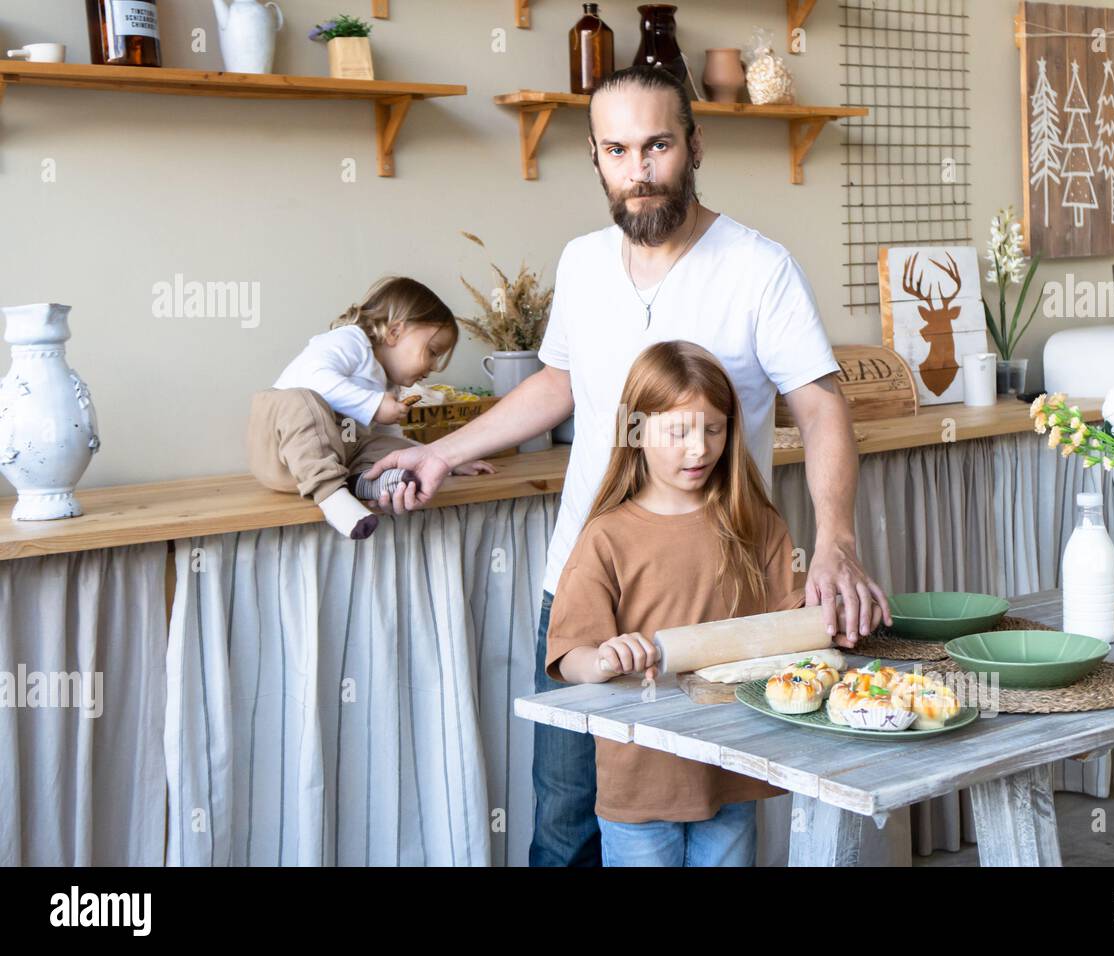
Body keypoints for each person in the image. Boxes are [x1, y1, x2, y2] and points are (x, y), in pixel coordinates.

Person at [362, 66, 891, 866]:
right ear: (597, 157)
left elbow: (821, 406)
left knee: (716, 809)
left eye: (657, 145)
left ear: (694, 145)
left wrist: (837, 540)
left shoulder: (758, 267)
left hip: (717, 597)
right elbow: (561, 383)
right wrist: (437, 452)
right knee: (568, 820)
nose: (638, 170)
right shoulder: (580, 262)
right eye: (617, 150)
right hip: (587, 584)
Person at [546, 341, 805, 866]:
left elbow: (795, 627)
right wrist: (604, 658)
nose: (699, 449)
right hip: (641, 778)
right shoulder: (606, 536)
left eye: (713, 429)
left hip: (732, 766)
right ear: (637, 432)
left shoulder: (758, 524)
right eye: (678, 432)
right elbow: (568, 656)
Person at [247, 276, 494, 539]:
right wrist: (374, 404)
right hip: (280, 452)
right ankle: (331, 497)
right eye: (433, 351)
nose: (433, 366)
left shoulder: (388, 384)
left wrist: (443, 459)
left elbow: (390, 440)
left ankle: (365, 482)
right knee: (301, 400)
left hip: (335, 461)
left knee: (386, 447)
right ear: (395, 332)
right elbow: (312, 377)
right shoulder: (349, 342)